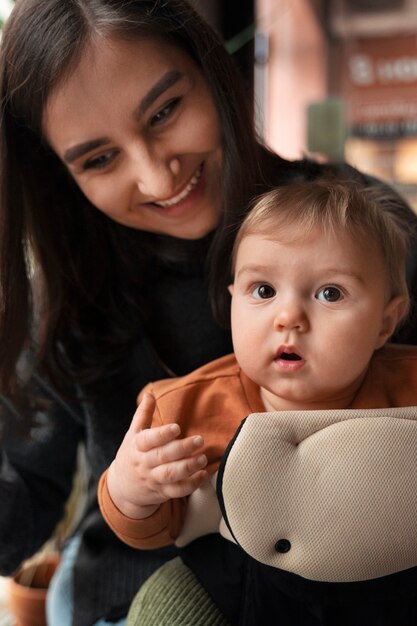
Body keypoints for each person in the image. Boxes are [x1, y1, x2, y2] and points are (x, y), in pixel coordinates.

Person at [0, 1, 377, 626]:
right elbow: (19, 506)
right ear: (57, 175)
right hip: (131, 599)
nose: (155, 176)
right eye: (99, 159)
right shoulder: (65, 297)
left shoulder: (361, 229)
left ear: (210, 68)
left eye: (164, 111)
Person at [98, 176, 417, 625]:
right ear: (233, 302)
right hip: (238, 587)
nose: (289, 318)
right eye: (263, 291)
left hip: (390, 585)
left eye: (330, 293)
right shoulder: (182, 410)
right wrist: (132, 489)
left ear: (386, 324)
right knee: (166, 604)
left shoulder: (408, 385)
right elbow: (152, 531)